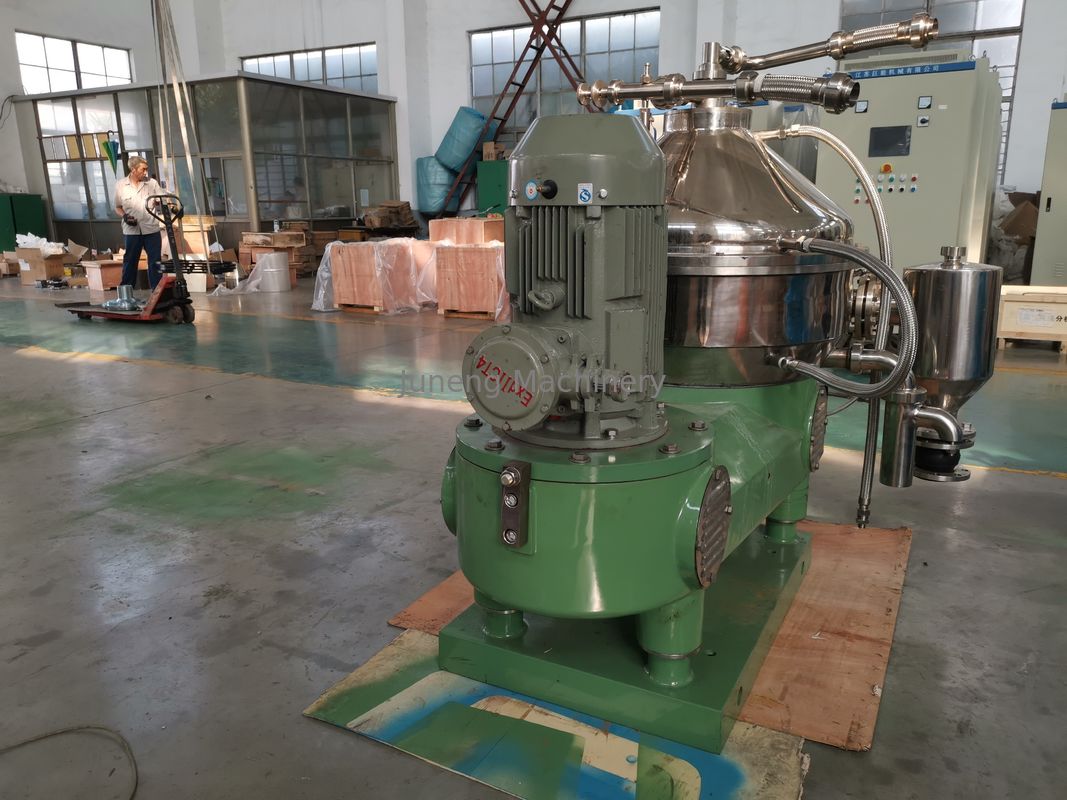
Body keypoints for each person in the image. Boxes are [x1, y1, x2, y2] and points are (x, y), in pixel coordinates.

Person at [114, 155, 165, 289]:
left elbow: (163, 200)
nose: (146, 172)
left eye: (146, 169)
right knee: (130, 262)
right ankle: (126, 293)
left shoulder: (152, 184)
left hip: (151, 229)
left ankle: (157, 292)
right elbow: (117, 207)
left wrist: (163, 203)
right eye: (143, 169)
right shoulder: (121, 185)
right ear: (133, 169)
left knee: (155, 262)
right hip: (132, 231)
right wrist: (125, 216)